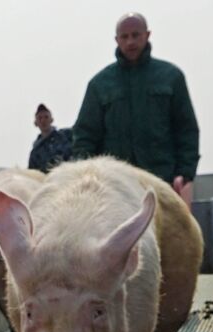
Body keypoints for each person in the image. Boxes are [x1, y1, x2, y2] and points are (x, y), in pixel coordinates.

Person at [71, 12, 199, 204]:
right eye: (124, 37)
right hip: (115, 192)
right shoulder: (99, 85)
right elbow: (84, 137)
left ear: (147, 35)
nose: (130, 42)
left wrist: (185, 173)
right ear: (116, 40)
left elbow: (186, 130)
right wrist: (88, 179)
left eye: (135, 35)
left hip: (164, 185)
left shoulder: (171, 77)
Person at [28, 104, 74, 173]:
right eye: (40, 118)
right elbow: (33, 174)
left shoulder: (66, 135)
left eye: (46, 117)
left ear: (51, 120)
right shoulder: (35, 153)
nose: (43, 120)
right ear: (36, 123)